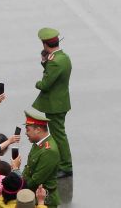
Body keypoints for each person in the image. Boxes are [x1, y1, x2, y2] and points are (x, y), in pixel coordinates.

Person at [32, 29, 71, 179]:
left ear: (44, 44)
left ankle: (65, 166)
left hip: (55, 104)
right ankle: (63, 163)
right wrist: (45, 62)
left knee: (58, 135)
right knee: (58, 134)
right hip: (61, 101)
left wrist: (38, 83)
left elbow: (45, 84)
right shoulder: (63, 57)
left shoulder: (54, 62)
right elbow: (55, 74)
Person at [20, 109, 59, 207]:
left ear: (38, 130)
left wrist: (18, 178)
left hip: (45, 201)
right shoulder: (38, 143)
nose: (26, 133)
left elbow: (35, 181)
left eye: (28, 130)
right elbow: (28, 167)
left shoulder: (48, 151)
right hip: (35, 196)